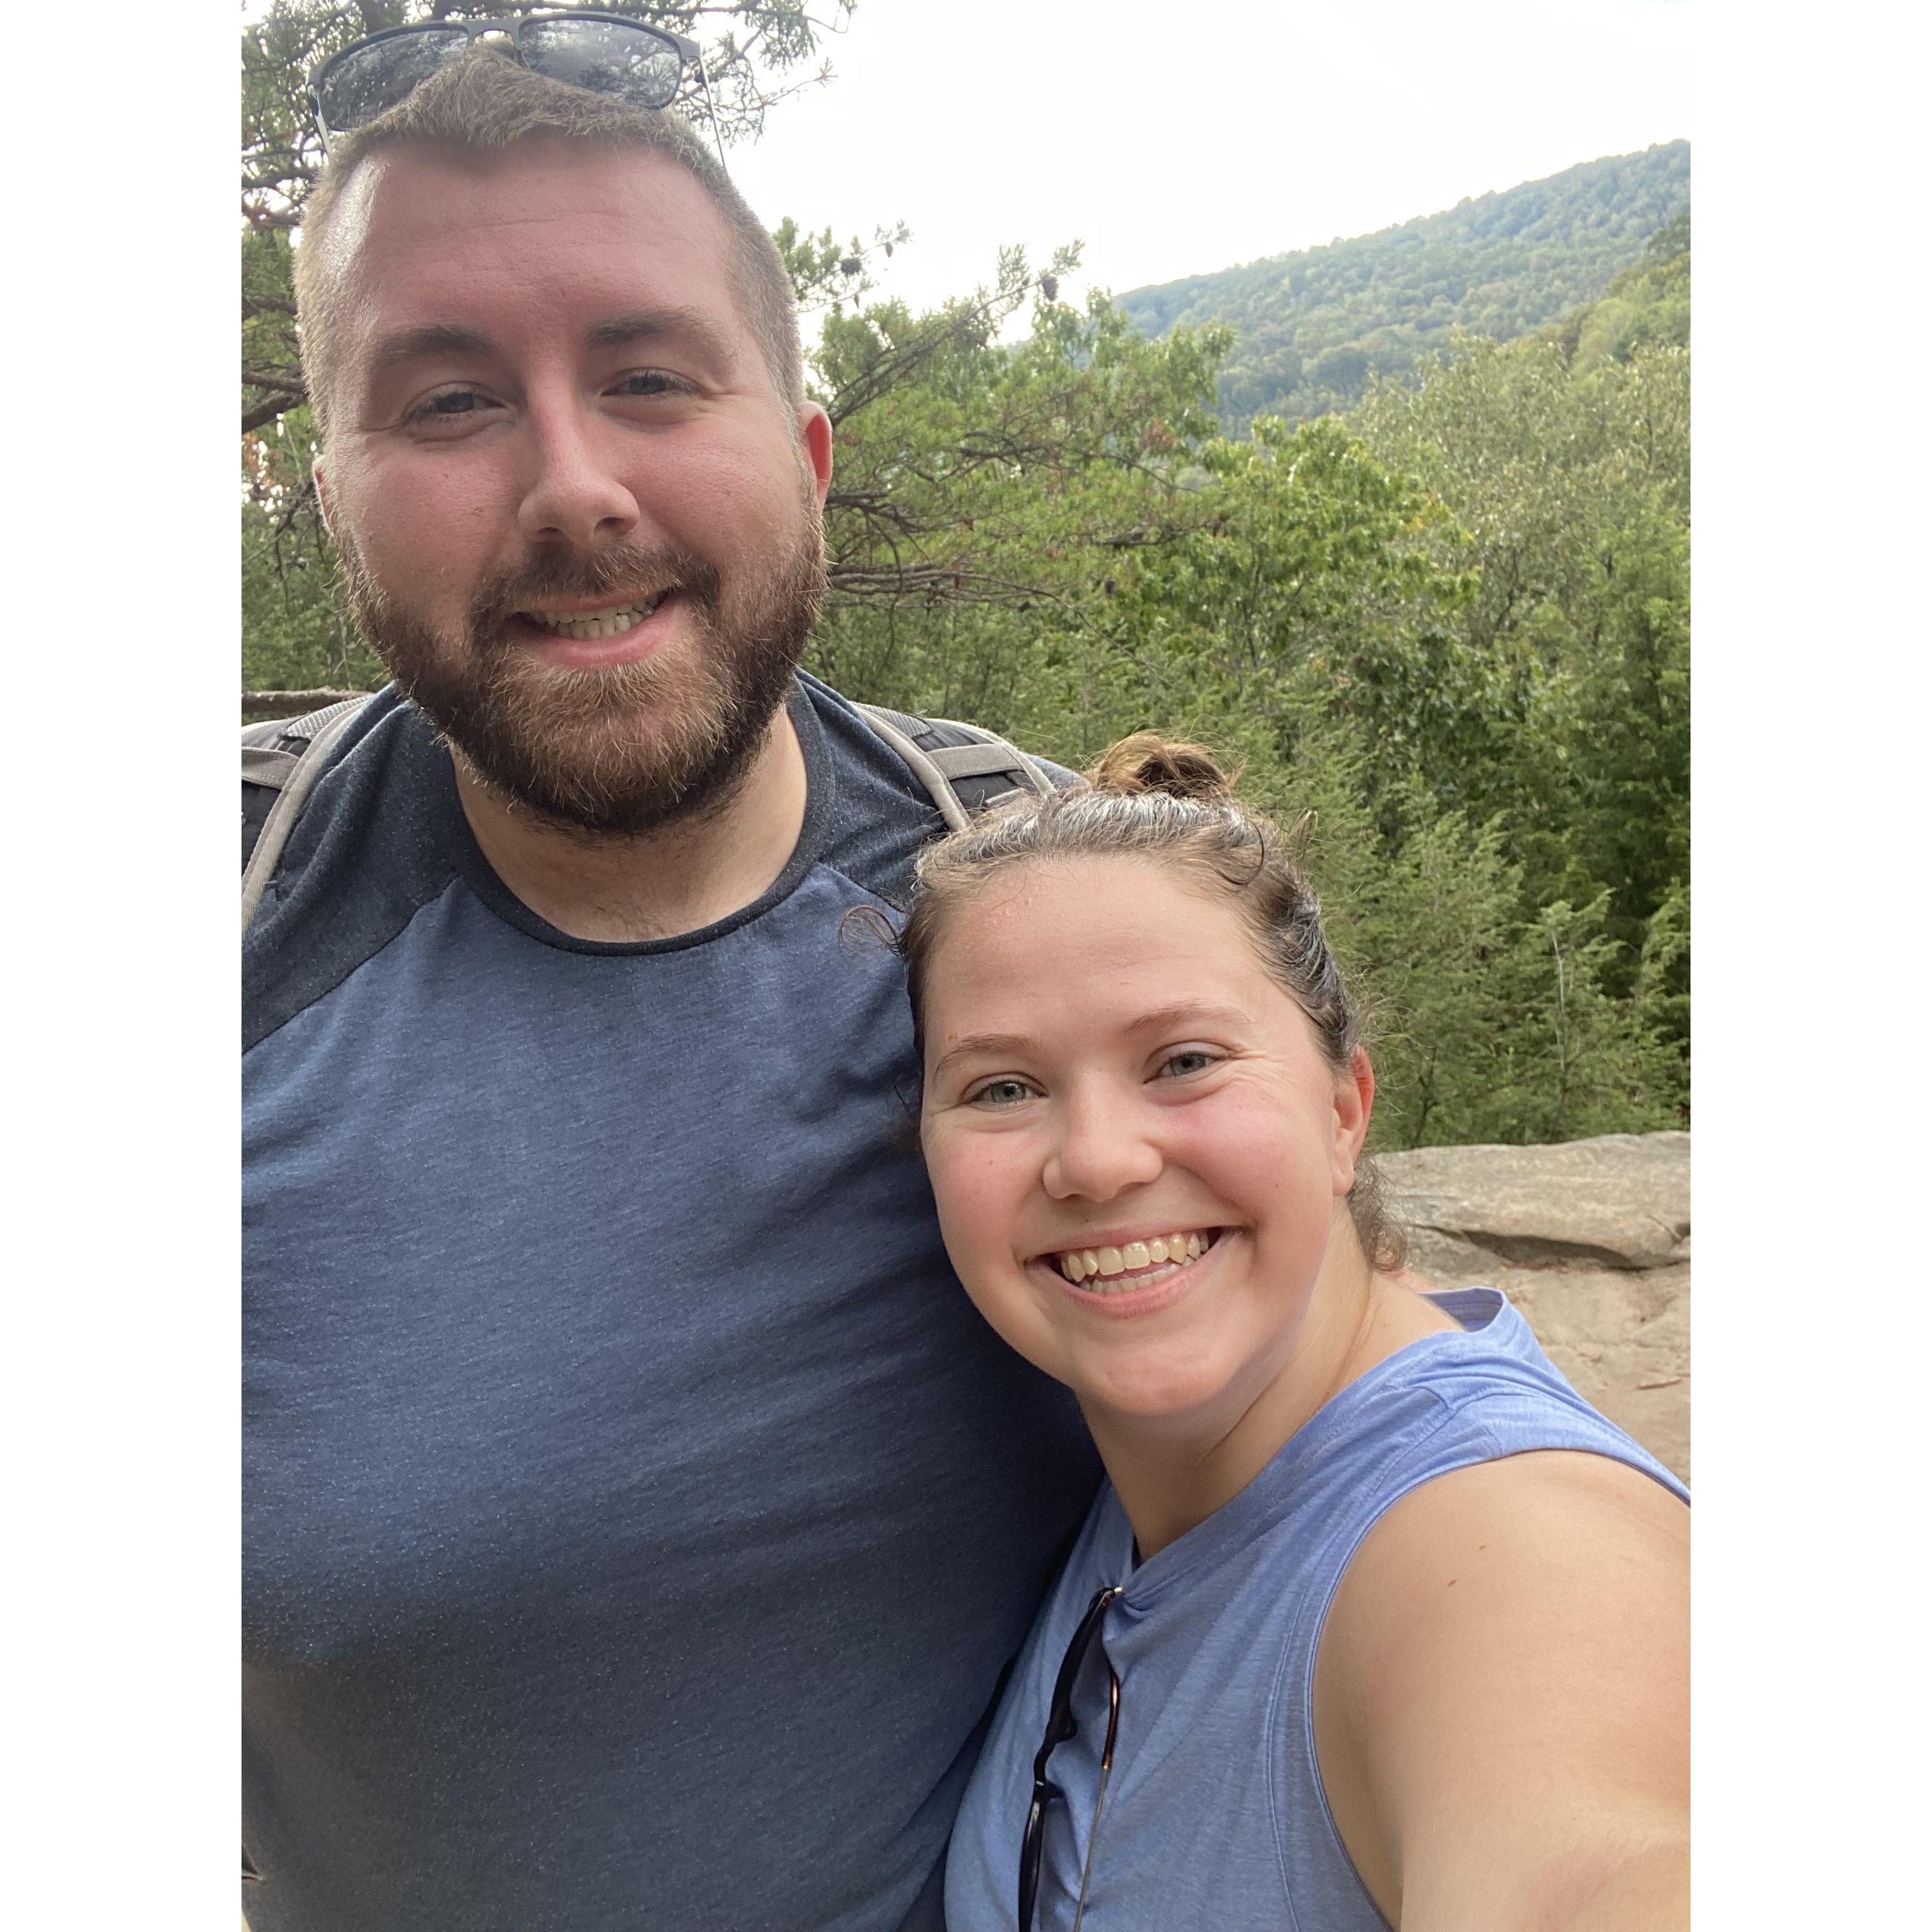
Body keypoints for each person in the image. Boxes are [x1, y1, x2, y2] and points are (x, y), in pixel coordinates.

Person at [242, 41, 1100, 1932]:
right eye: (450, 400)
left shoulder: (1052, 899)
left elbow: (1379, 1435)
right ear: (334, 500)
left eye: (647, 377)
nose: (574, 488)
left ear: (802, 453)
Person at [902, 737, 1691, 1931]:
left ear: (1342, 1114)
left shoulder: (1499, 1551)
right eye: (1002, 1087)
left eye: (1184, 1062)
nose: (1100, 1160)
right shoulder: (1164, 1473)